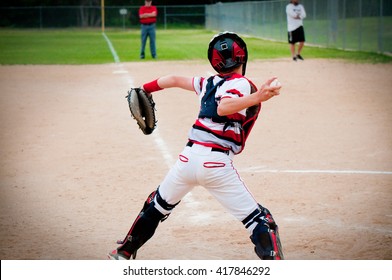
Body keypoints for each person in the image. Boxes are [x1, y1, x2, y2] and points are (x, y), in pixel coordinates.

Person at [108, 31, 284, 260]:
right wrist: (258, 97)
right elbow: (224, 106)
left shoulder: (207, 82)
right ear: (242, 57)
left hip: (187, 161)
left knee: (156, 205)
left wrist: (146, 89)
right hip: (216, 164)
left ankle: (124, 252)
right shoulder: (240, 83)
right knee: (261, 221)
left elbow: (172, 79)